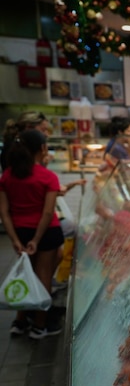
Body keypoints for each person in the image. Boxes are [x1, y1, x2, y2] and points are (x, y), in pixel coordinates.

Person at [0, 129, 64, 339]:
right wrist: (36, 239)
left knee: (26, 272)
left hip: (20, 231)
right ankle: (39, 325)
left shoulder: (7, 176)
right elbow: (47, 213)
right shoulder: (48, 177)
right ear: (43, 149)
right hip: (46, 233)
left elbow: (4, 212)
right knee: (43, 275)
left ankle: (19, 321)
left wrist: (16, 240)